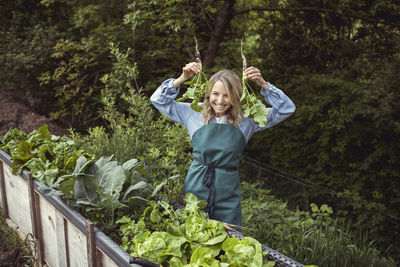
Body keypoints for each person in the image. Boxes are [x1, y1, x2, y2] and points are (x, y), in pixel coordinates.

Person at [151, 62, 295, 227]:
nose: (220, 101)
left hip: (227, 192)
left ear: (236, 96)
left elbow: (286, 109)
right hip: (196, 186)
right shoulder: (193, 112)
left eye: (227, 95)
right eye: (215, 94)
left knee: (228, 242)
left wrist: (263, 85)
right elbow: (158, 100)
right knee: (191, 233)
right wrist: (183, 78)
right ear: (208, 93)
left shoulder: (248, 119)